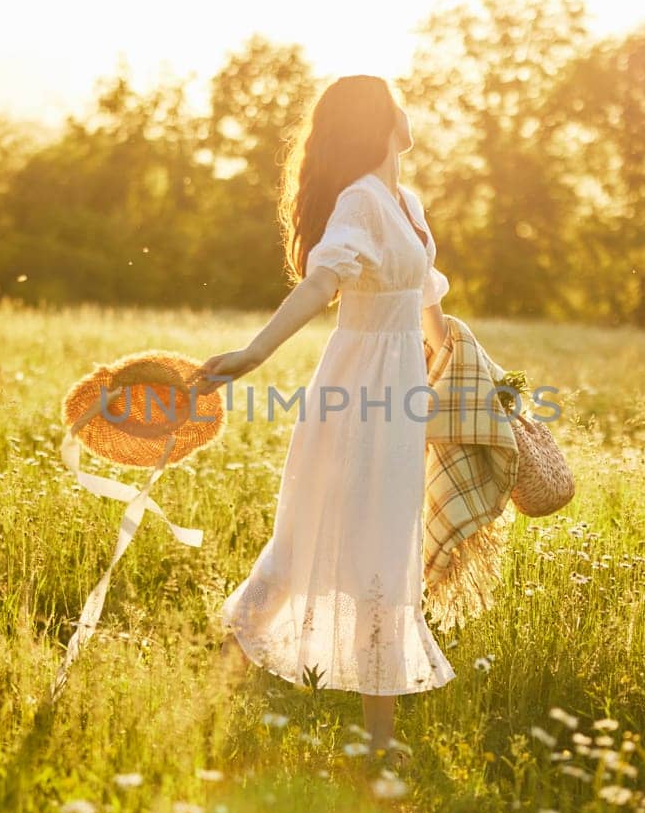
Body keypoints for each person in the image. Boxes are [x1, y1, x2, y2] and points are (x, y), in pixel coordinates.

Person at [192, 75, 455, 763]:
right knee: (307, 537)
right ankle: (215, 689)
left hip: (402, 393)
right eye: (397, 99)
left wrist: (465, 372)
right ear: (380, 120)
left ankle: (377, 742)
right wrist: (255, 350)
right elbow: (321, 281)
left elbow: (426, 299)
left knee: (388, 543)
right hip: (355, 389)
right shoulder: (360, 202)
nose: (408, 108)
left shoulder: (407, 202)